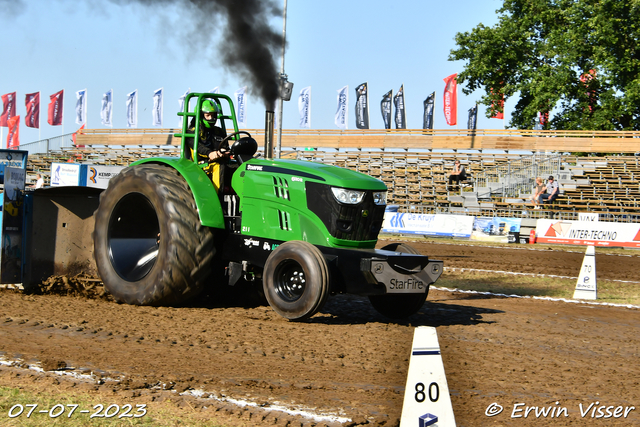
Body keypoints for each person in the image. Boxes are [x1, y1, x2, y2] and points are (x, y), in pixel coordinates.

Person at [185, 100, 229, 191]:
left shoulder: (219, 131)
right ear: (201, 115)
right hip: (200, 163)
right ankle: (217, 200)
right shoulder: (191, 132)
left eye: (213, 115)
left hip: (219, 159)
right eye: (208, 115)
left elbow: (225, 146)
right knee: (219, 165)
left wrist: (225, 152)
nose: (211, 118)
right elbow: (198, 147)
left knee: (241, 166)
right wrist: (210, 153)